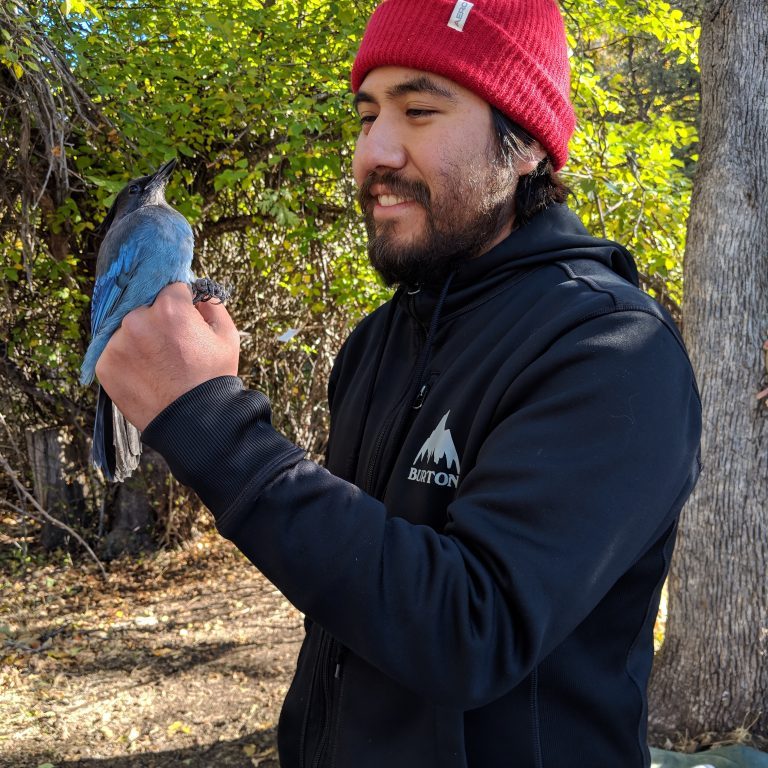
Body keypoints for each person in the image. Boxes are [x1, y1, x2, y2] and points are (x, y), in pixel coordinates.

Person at [95, 1, 702, 766]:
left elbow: (470, 634)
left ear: (524, 148)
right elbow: (355, 599)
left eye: (418, 109)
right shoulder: (377, 345)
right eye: (366, 114)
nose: (373, 150)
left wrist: (214, 425)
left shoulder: (611, 348)